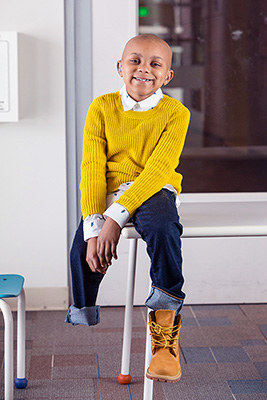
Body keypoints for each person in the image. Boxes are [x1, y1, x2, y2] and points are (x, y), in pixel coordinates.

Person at [66, 34, 190, 383]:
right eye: (135, 61)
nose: (144, 70)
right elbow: (92, 167)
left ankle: (165, 334)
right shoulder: (101, 107)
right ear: (120, 67)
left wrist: (115, 220)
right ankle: (84, 307)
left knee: (164, 227)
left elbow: (157, 170)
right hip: (109, 191)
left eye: (156, 64)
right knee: (83, 248)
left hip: (154, 187)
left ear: (167, 76)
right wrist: (95, 226)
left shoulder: (176, 114)